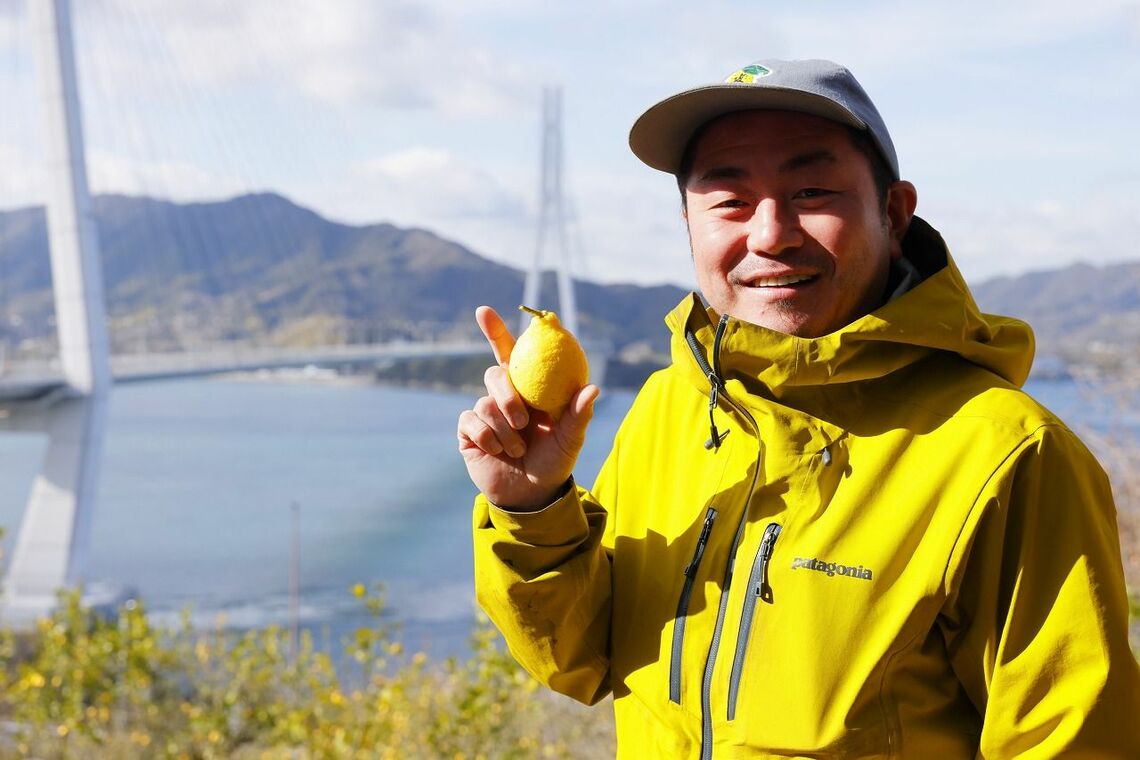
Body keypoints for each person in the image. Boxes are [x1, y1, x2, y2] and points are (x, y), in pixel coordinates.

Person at [457, 58, 1140, 758]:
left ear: (895, 213)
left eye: (812, 191)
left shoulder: (1007, 455)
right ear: (688, 225)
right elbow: (583, 659)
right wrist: (535, 507)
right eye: (729, 201)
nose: (769, 235)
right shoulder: (670, 406)